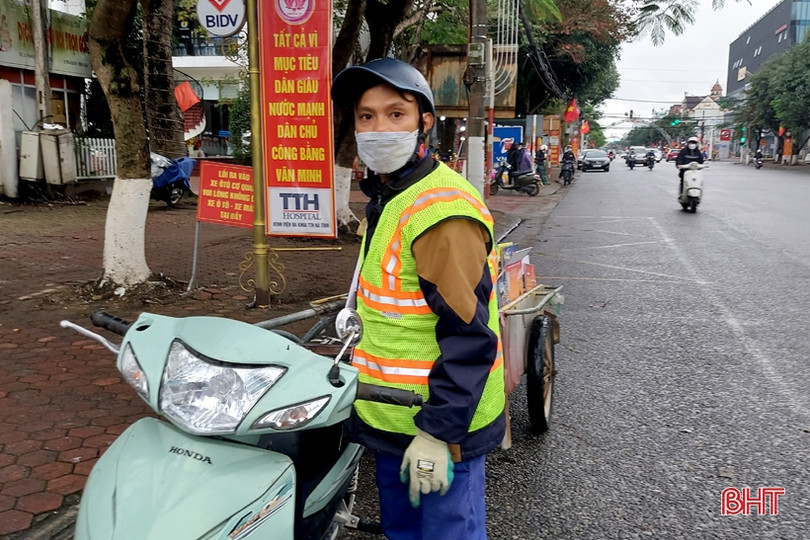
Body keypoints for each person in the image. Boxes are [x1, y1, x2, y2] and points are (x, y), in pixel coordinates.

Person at [331, 58, 505, 540]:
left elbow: (470, 335)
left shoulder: (442, 213)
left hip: (440, 424)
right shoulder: (391, 194)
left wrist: (439, 430)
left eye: (395, 114)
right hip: (391, 414)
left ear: (424, 123)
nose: (378, 128)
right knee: (402, 531)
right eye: (366, 117)